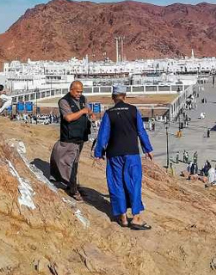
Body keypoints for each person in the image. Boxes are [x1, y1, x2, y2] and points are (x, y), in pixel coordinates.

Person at [92, 85, 154, 230]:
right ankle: (137, 217)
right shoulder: (133, 110)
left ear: (113, 98)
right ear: (125, 96)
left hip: (114, 155)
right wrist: (148, 149)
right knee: (134, 183)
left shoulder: (109, 113)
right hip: (132, 153)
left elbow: (103, 135)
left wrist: (98, 153)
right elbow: (141, 131)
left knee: (117, 184)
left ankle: (123, 217)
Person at [50, 81, 93, 200]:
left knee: (74, 163)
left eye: (81, 91)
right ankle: (72, 188)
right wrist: (82, 111)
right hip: (70, 137)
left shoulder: (83, 99)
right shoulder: (64, 101)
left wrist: (90, 112)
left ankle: (73, 185)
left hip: (81, 136)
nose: (80, 94)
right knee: (67, 162)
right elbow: (68, 117)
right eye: (77, 91)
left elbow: (87, 109)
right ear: (71, 90)